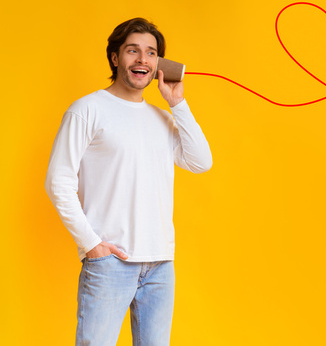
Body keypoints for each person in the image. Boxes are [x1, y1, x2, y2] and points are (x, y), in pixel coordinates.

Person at [45, 18, 213, 345]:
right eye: (132, 50)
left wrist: (177, 102)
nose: (142, 60)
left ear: (159, 64)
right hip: (110, 264)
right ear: (115, 58)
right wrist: (91, 245)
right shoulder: (87, 110)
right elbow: (58, 181)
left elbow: (201, 161)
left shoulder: (164, 118)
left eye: (151, 53)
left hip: (160, 265)